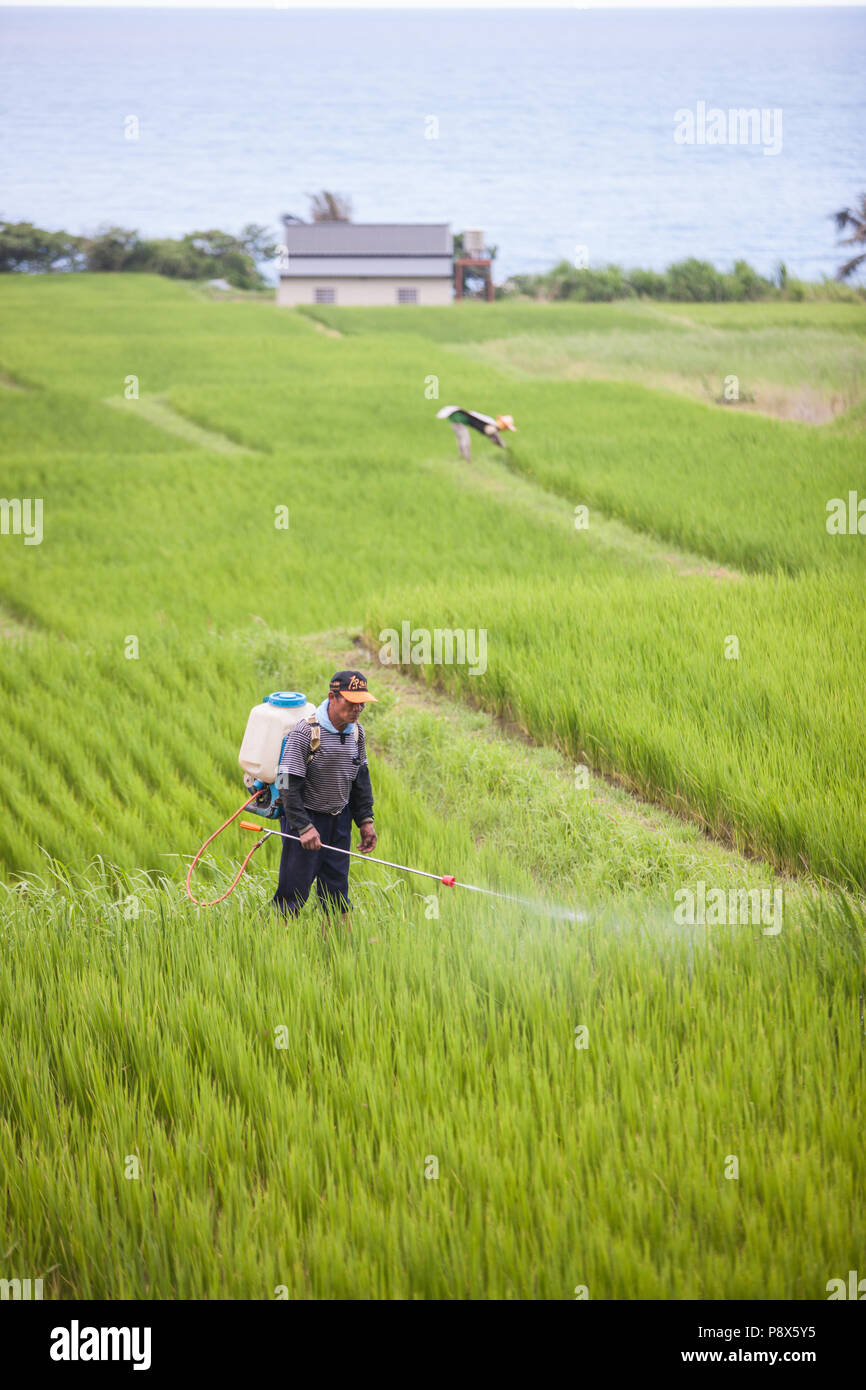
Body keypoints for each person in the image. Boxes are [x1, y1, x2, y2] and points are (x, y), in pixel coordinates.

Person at [272, 670, 377, 926]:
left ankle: (338, 950)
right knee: (292, 894)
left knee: (337, 892)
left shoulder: (356, 733)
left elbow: (360, 778)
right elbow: (285, 784)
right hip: (305, 821)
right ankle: (275, 948)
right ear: (332, 697)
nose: (358, 708)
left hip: (339, 821)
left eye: (362, 702)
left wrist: (365, 820)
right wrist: (303, 827)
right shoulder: (305, 732)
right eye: (351, 702)